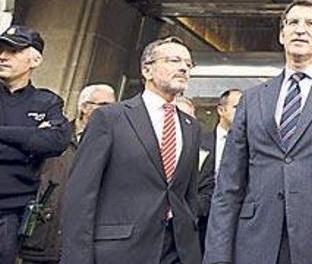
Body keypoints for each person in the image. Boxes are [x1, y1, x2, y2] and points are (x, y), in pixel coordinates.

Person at [204, 0, 312, 264]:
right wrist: (217, 256)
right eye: (292, 23)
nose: (300, 29)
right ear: (282, 35)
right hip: (254, 241)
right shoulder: (253, 98)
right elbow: (229, 184)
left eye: (310, 23)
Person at [62, 36, 203, 264]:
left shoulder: (191, 127)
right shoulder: (110, 118)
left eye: (188, 64)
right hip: (120, 249)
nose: (183, 68)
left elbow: (188, 193)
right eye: (174, 60)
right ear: (147, 70)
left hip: (176, 250)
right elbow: (81, 194)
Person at [19, 85, 117, 264]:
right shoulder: (56, 137)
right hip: (41, 238)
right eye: (103, 104)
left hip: (80, 245)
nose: (110, 111)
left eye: (113, 105)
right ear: (84, 107)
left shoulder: (114, 144)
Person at [0, 26, 72, 264]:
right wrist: (29, 138)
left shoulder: (47, 101)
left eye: (14, 51)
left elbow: (56, 142)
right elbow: (39, 142)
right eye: (1, 49)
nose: (3, 56)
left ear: (35, 60)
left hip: (10, 215)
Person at [196, 89, 242, 249]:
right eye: (238, 107)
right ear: (221, 110)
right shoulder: (199, 142)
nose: (243, 113)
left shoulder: (253, 144)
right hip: (203, 219)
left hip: (238, 218)